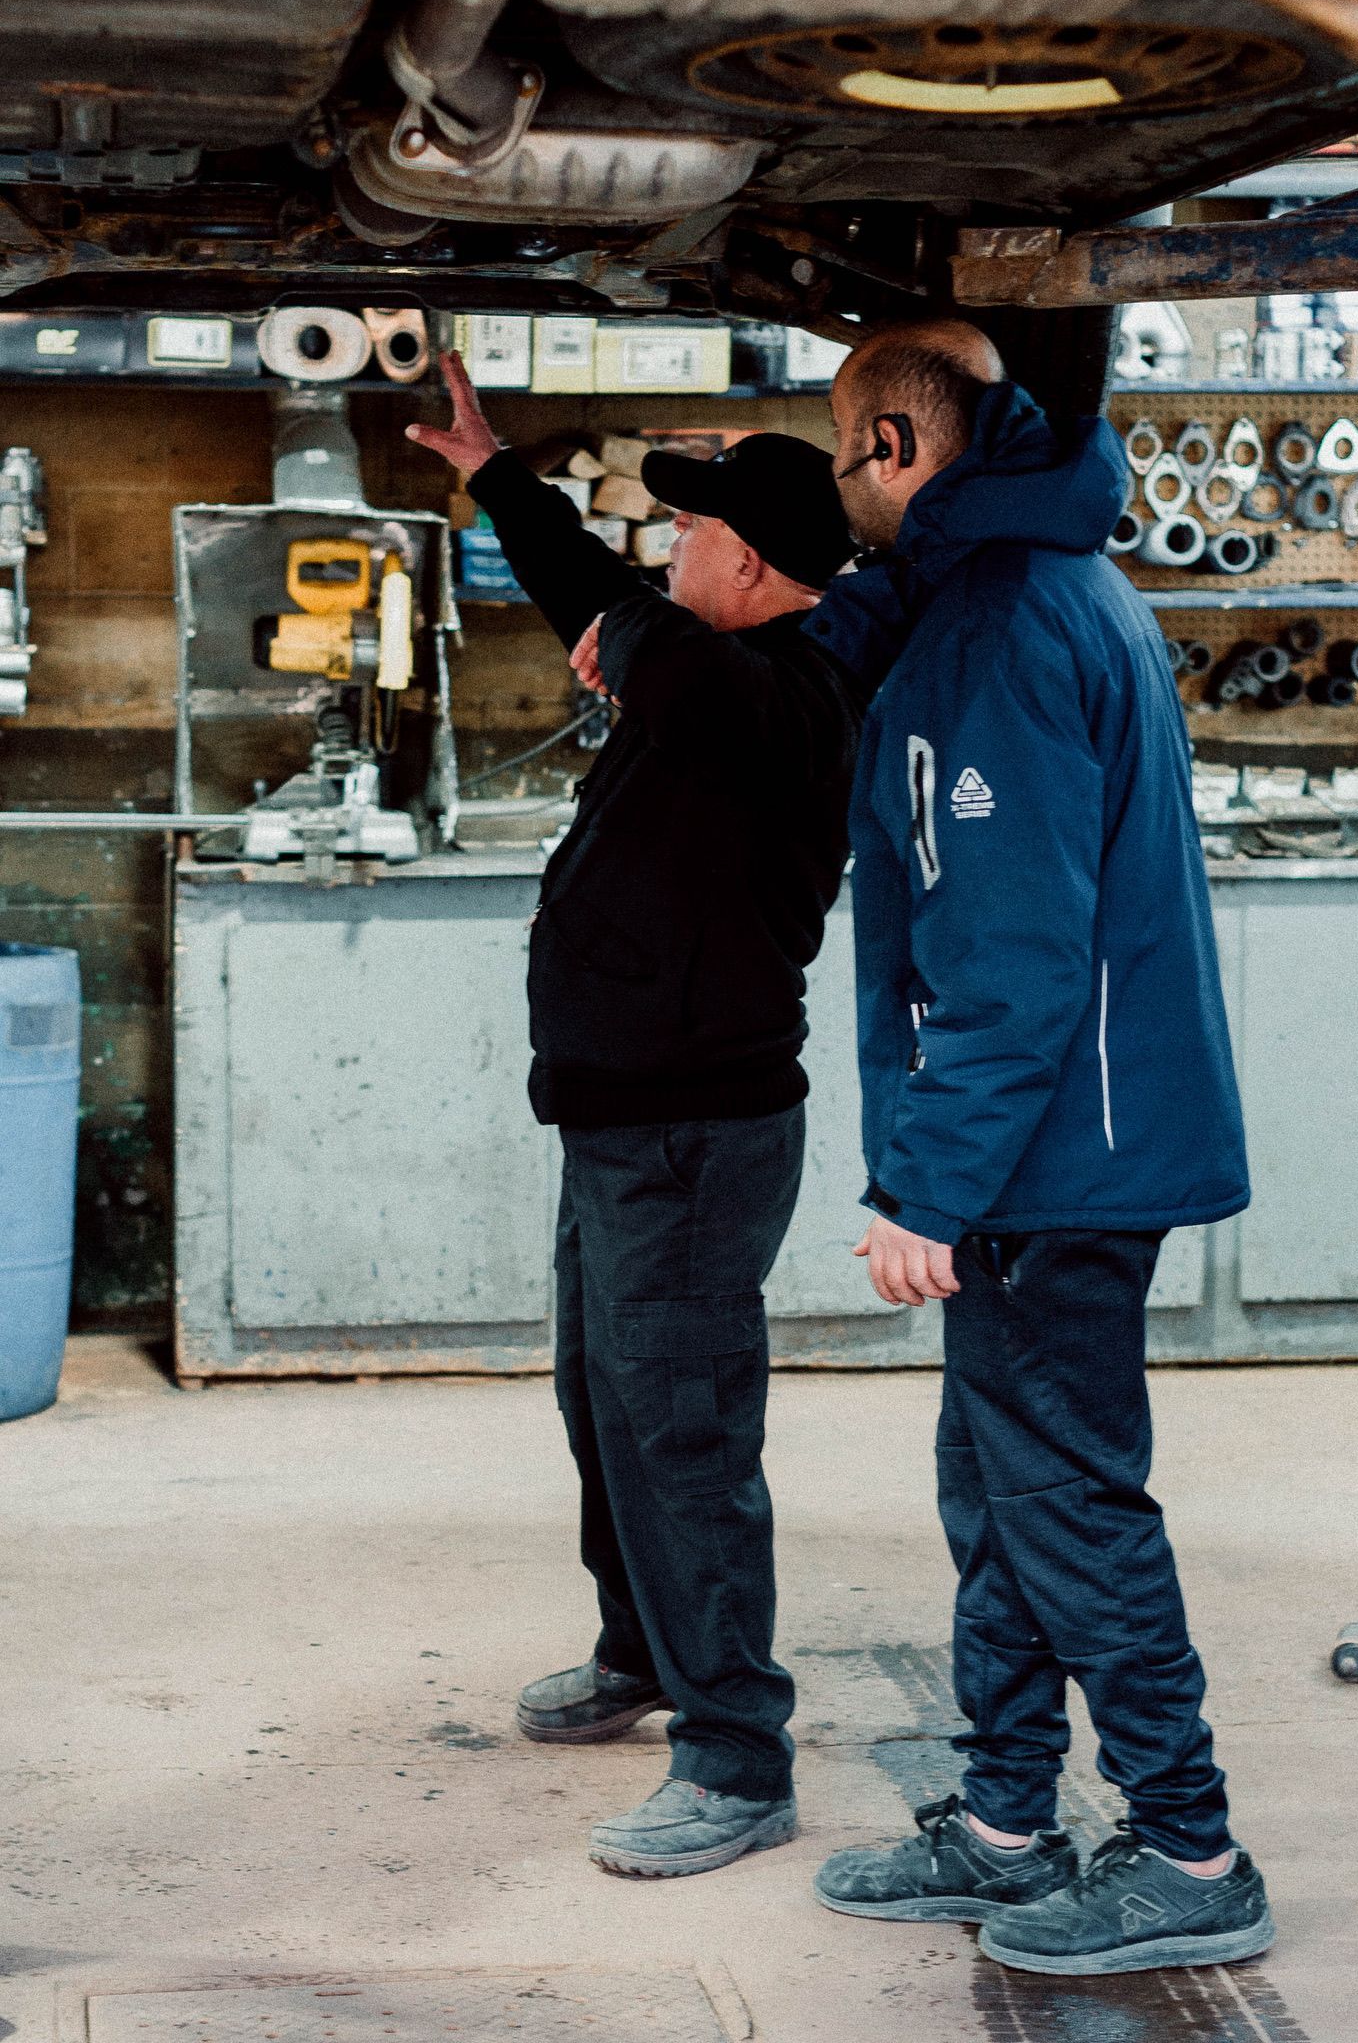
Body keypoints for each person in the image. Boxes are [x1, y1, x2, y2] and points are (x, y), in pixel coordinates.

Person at [804, 323, 1273, 1977]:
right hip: (1061, 1142)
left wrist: (930, 1181)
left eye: (845, 451)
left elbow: (1006, 946)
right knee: (994, 1485)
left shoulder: (998, 633)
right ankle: (1008, 1819)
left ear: (896, 453)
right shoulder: (1023, 588)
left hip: (1049, 1160)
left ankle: (1191, 1847)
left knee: (1066, 1496)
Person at [407, 356, 861, 1879]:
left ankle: (736, 1759)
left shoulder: (772, 693)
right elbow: (608, 608)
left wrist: (600, 592)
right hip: (621, 1128)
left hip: (689, 1140)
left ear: (742, 562)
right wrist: (495, 476)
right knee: (606, 1408)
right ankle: (644, 1651)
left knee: (681, 1435)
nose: (668, 555)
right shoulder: (703, 673)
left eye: (690, 538)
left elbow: (628, 624)